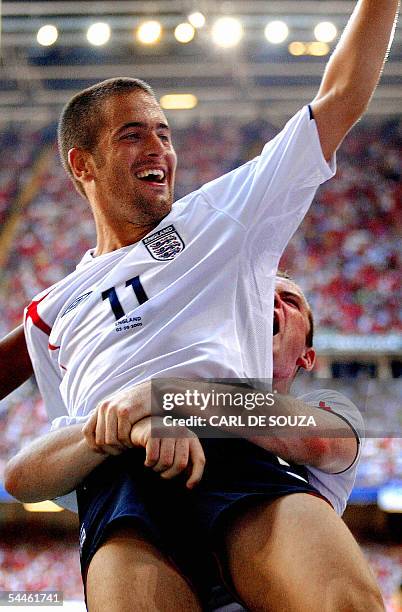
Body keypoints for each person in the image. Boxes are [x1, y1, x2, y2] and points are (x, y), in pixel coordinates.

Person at [2, 0, 399, 608]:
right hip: (123, 483)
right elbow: (49, 456)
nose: (158, 147)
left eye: (164, 133)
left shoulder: (224, 214)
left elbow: (341, 96)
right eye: (132, 134)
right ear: (82, 164)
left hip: (239, 455)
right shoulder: (49, 312)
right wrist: (130, 425)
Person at [6, 273, 382, 611]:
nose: (272, 303)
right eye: (261, 294)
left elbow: (315, 440)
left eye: (291, 301)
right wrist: (134, 426)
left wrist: (165, 395)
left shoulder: (327, 407)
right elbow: (20, 476)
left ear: (307, 356)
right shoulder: (127, 400)